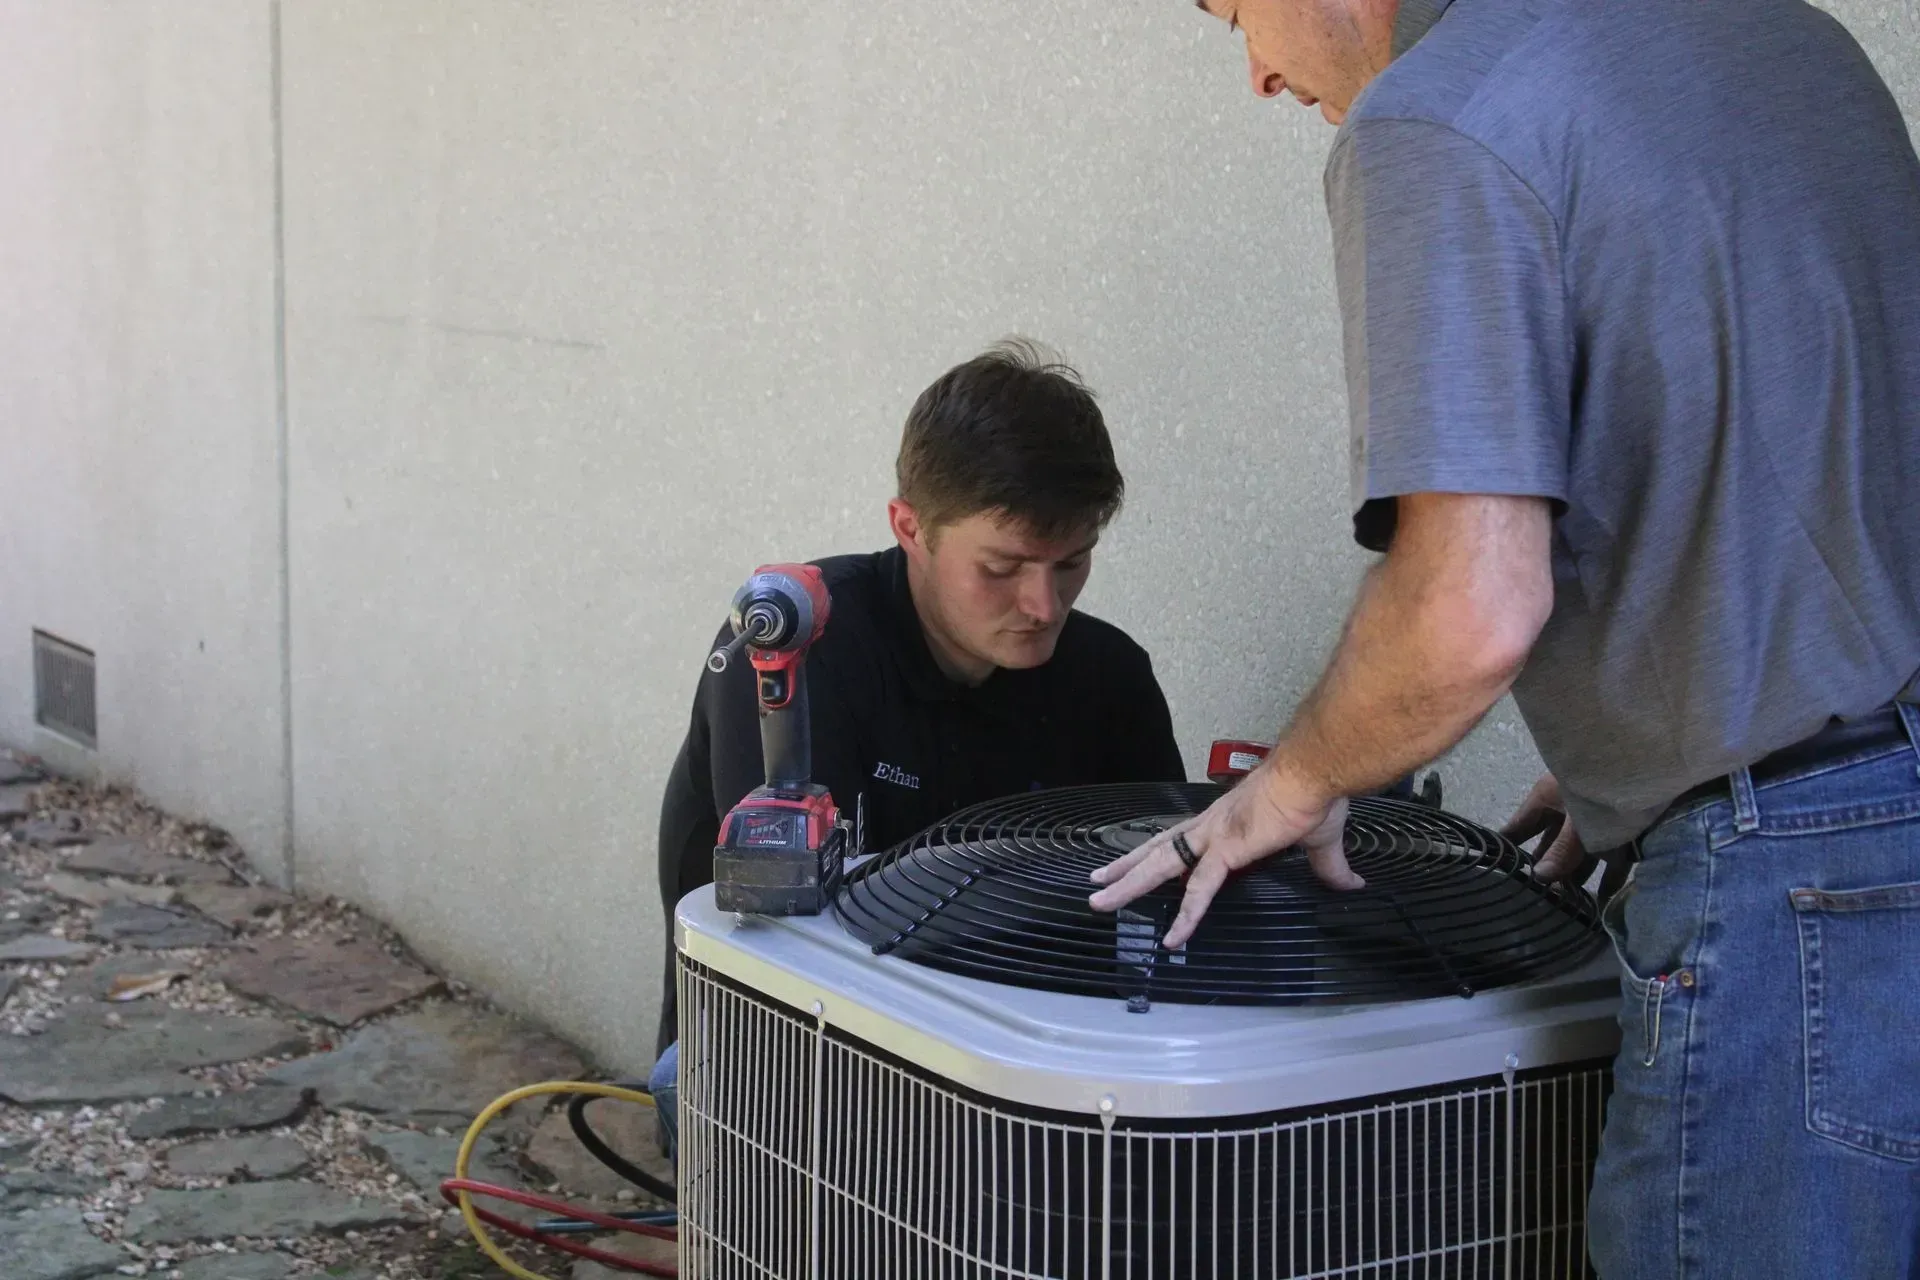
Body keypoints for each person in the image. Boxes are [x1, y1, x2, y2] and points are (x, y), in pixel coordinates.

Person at [1089, 2, 1920, 1276]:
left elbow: (1466, 610)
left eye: (1235, 9)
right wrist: (1651, 743)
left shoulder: (1438, 114)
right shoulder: (1787, 37)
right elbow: (1782, 451)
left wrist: (1295, 783)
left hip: (1789, 898)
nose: (1254, 70)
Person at [650, 340, 1189, 1153]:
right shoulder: (800, 652)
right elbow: (788, 944)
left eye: (1072, 562)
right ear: (909, 527)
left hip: (1027, 1092)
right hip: (792, 1084)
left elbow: (1163, 905)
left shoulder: (1111, 679)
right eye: (1002, 567)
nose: (1043, 606)